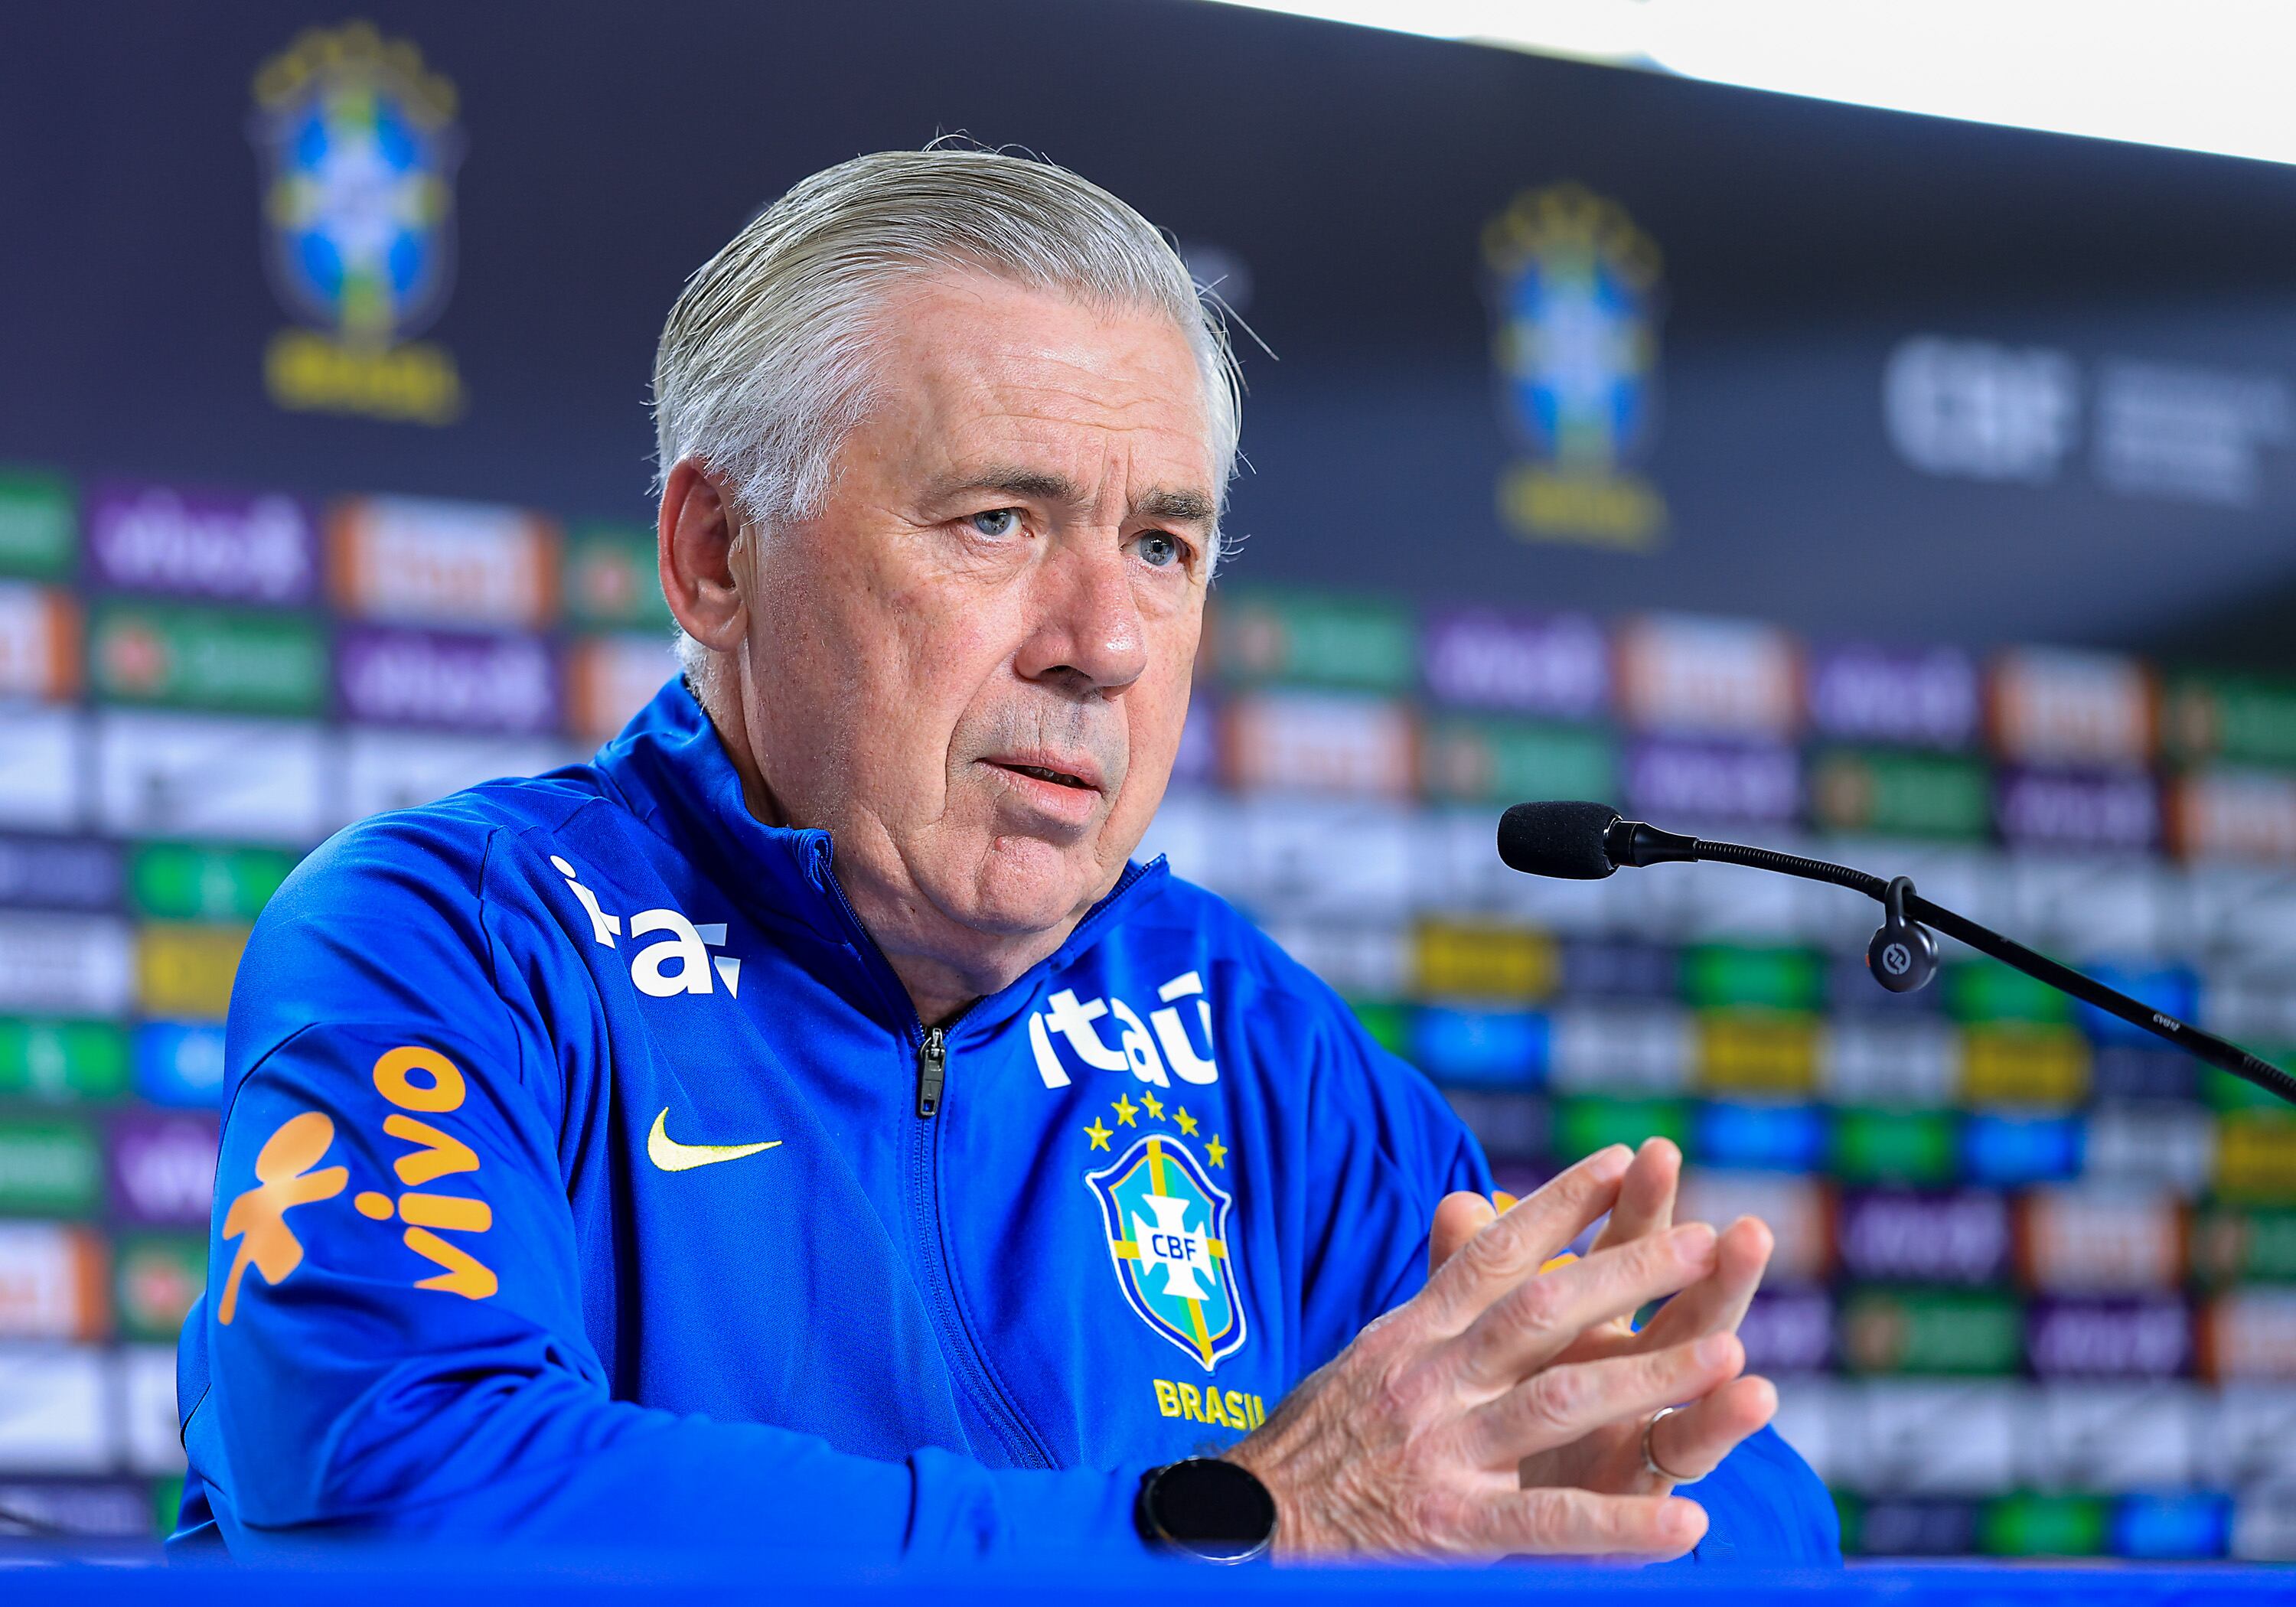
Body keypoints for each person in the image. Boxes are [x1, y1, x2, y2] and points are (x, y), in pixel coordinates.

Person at [173, 148, 1836, 1564]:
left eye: (1165, 544)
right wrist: (1226, 1529)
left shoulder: (1253, 1040)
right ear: (716, 554)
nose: (1103, 642)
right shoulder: (453, 941)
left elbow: (1765, 1521)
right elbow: (399, 1496)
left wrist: (1595, 1500)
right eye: (998, 521)